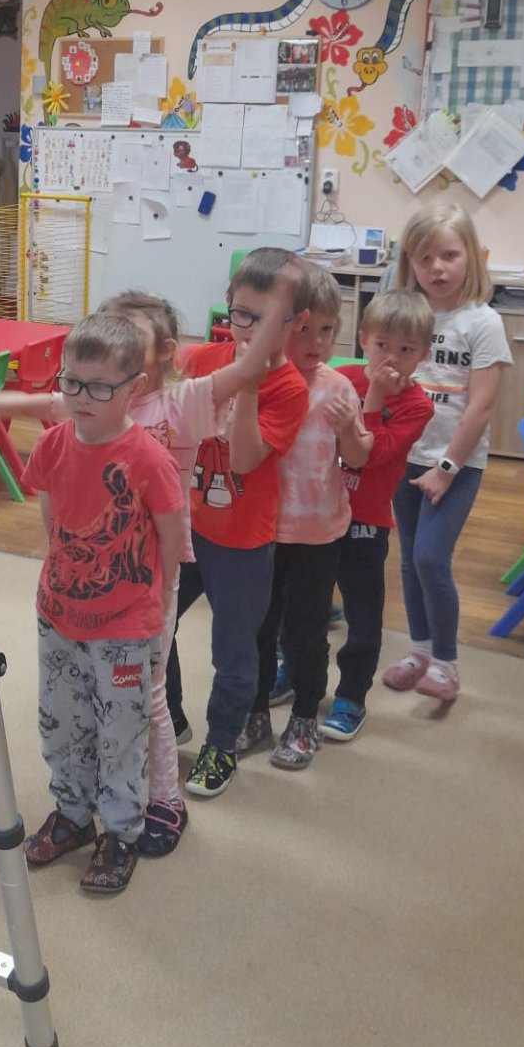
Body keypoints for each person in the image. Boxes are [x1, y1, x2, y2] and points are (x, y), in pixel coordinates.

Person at [98, 289, 279, 853]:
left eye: (130, 336)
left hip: (164, 568)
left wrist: (274, 312)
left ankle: (170, 793)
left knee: (151, 683)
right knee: (115, 679)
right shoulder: (104, 402)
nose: (116, 346)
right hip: (108, 573)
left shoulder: (180, 401)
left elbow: (244, 371)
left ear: (165, 351)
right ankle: (131, 763)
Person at [19, 312, 184, 895]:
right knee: (61, 722)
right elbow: (51, 518)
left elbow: (171, 539)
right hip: (59, 616)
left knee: (121, 734)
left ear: (134, 387)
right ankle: (72, 813)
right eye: (71, 382)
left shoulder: (149, 459)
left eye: (99, 387)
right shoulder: (52, 444)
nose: (82, 397)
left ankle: (120, 832)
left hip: (125, 629)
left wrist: (156, 610)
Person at [176, 251, 310, 800]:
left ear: (296, 323)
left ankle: (222, 744)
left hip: (241, 543)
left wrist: (248, 383)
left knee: (233, 652)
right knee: (150, 625)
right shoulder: (202, 358)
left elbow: (244, 459)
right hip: (183, 528)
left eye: (264, 319)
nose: (247, 329)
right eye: (239, 314)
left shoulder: (289, 389)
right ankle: (169, 718)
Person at [235, 265, 365, 771]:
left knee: (308, 633)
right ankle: (255, 714)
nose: (316, 342)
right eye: (304, 330)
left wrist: (350, 431)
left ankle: (306, 716)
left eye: (327, 330)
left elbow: (357, 458)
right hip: (262, 531)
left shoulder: (339, 388)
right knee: (258, 629)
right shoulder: (261, 381)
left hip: (318, 535)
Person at [382, 201, 511, 706]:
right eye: (424, 258)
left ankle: (446, 662)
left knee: (431, 559)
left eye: (449, 256)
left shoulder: (483, 323)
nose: (437, 268)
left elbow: (480, 407)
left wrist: (447, 467)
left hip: (454, 464)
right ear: (409, 263)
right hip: (405, 456)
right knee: (409, 561)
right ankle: (418, 652)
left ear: (471, 257)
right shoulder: (407, 317)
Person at [319, 290, 435, 742]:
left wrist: (375, 397)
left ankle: (351, 696)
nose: (392, 357)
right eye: (382, 344)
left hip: (367, 522)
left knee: (363, 618)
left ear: (422, 354)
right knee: (303, 607)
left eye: (406, 349)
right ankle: (295, 670)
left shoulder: (418, 405)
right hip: (320, 514)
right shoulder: (340, 377)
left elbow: (367, 455)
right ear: (363, 339)